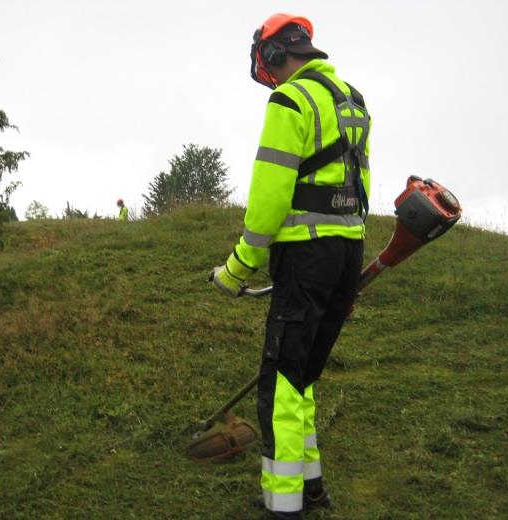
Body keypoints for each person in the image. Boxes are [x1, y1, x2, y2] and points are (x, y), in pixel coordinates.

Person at [210, 13, 371, 519]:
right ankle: (313, 486)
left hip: (305, 257)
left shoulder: (290, 100)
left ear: (275, 57)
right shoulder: (352, 99)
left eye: (267, 68)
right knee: (301, 379)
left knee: (280, 385)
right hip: (347, 251)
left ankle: (283, 506)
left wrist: (239, 267)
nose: (269, 79)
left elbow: (270, 195)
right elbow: (361, 184)